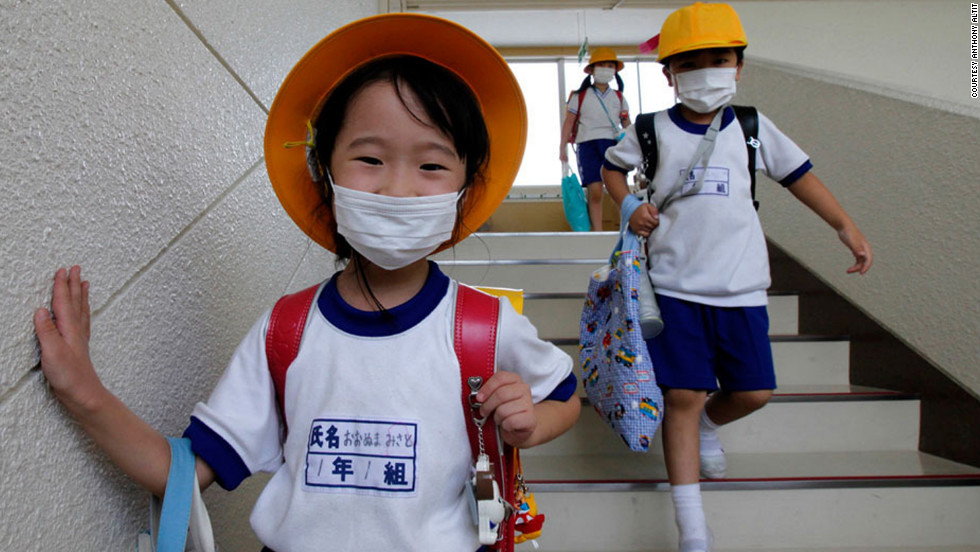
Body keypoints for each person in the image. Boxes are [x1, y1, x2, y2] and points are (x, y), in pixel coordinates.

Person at [33, 14, 580, 552]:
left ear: (466, 187)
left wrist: (531, 423)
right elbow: (179, 472)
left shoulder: (483, 326)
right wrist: (82, 390)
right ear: (324, 173)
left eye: (432, 166)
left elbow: (565, 398)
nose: (396, 189)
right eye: (369, 158)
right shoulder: (287, 330)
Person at [600, 3, 873, 551]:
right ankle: (692, 529)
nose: (706, 70)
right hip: (673, 288)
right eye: (691, 61)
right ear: (668, 72)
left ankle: (708, 426)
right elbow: (610, 167)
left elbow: (799, 176)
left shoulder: (750, 126)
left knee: (754, 392)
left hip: (742, 288)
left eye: (718, 58)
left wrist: (844, 225)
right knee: (683, 396)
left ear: (739, 66)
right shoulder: (652, 129)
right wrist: (630, 204)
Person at [559, 47, 631, 231]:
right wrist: (562, 147)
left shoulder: (619, 97)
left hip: (613, 145)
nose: (605, 69)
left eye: (609, 65)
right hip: (587, 145)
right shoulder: (579, 96)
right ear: (591, 69)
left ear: (615, 71)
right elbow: (569, 122)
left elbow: (626, 123)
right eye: (601, 65)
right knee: (596, 192)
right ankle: (597, 233)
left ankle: (625, 231)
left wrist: (633, 145)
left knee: (619, 191)